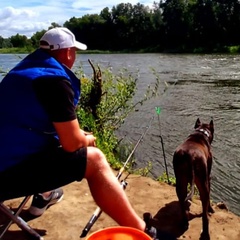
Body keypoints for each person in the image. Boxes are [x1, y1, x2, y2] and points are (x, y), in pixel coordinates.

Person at [0, 27, 158, 239]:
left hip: (8, 156)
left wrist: (77, 134)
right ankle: (143, 231)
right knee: (94, 160)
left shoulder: (21, 73)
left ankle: (44, 197)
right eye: (75, 51)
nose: (75, 56)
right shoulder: (53, 80)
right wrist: (87, 138)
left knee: (58, 140)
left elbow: (34, 123)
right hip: (5, 173)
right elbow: (72, 144)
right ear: (67, 52)